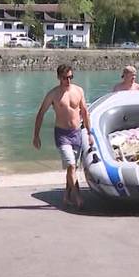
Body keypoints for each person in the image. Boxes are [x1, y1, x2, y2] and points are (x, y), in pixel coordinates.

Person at [33, 64, 94, 209]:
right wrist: (36, 135)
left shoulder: (78, 90)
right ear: (59, 78)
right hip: (62, 134)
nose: (68, 80)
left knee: (71, 168)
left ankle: (66, 197)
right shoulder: (53, 94)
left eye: (71, 77)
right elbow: (41, 113)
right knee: (71, 165)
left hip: (77, 133)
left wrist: (89, 133)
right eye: (65, 78)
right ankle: (78, 198)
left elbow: (85, 112)